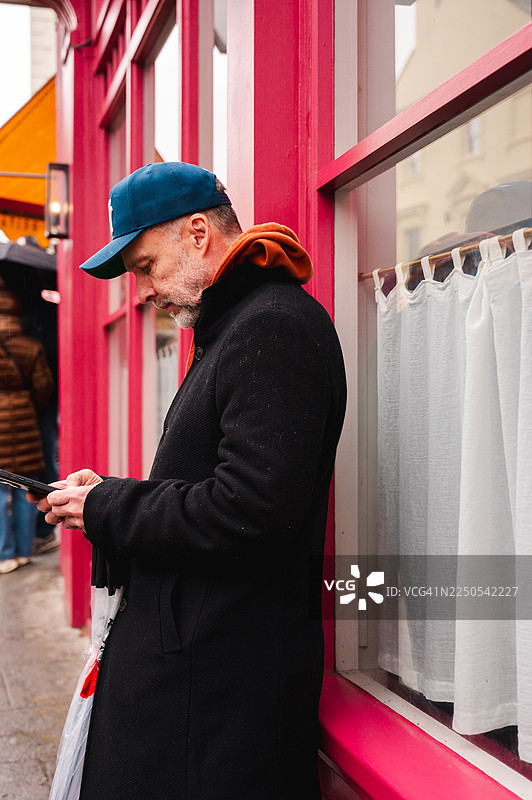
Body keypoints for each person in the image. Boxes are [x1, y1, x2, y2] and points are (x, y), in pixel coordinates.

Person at [34, 162, 347, 799]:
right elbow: (217, 485)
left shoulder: (270, 327)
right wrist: (103, 499)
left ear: (198, 233)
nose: (143, 290)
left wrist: (109, 505)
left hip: (219, 694)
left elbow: (250, 511)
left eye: (145, 265)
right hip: (207, 680)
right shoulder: (236, 325)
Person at [0, 279, 54, 573]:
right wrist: (27, 403)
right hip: (25, 420)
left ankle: (4, 555)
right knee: (22, 489)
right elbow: (44, 387)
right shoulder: (30, 346)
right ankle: (23, 550)